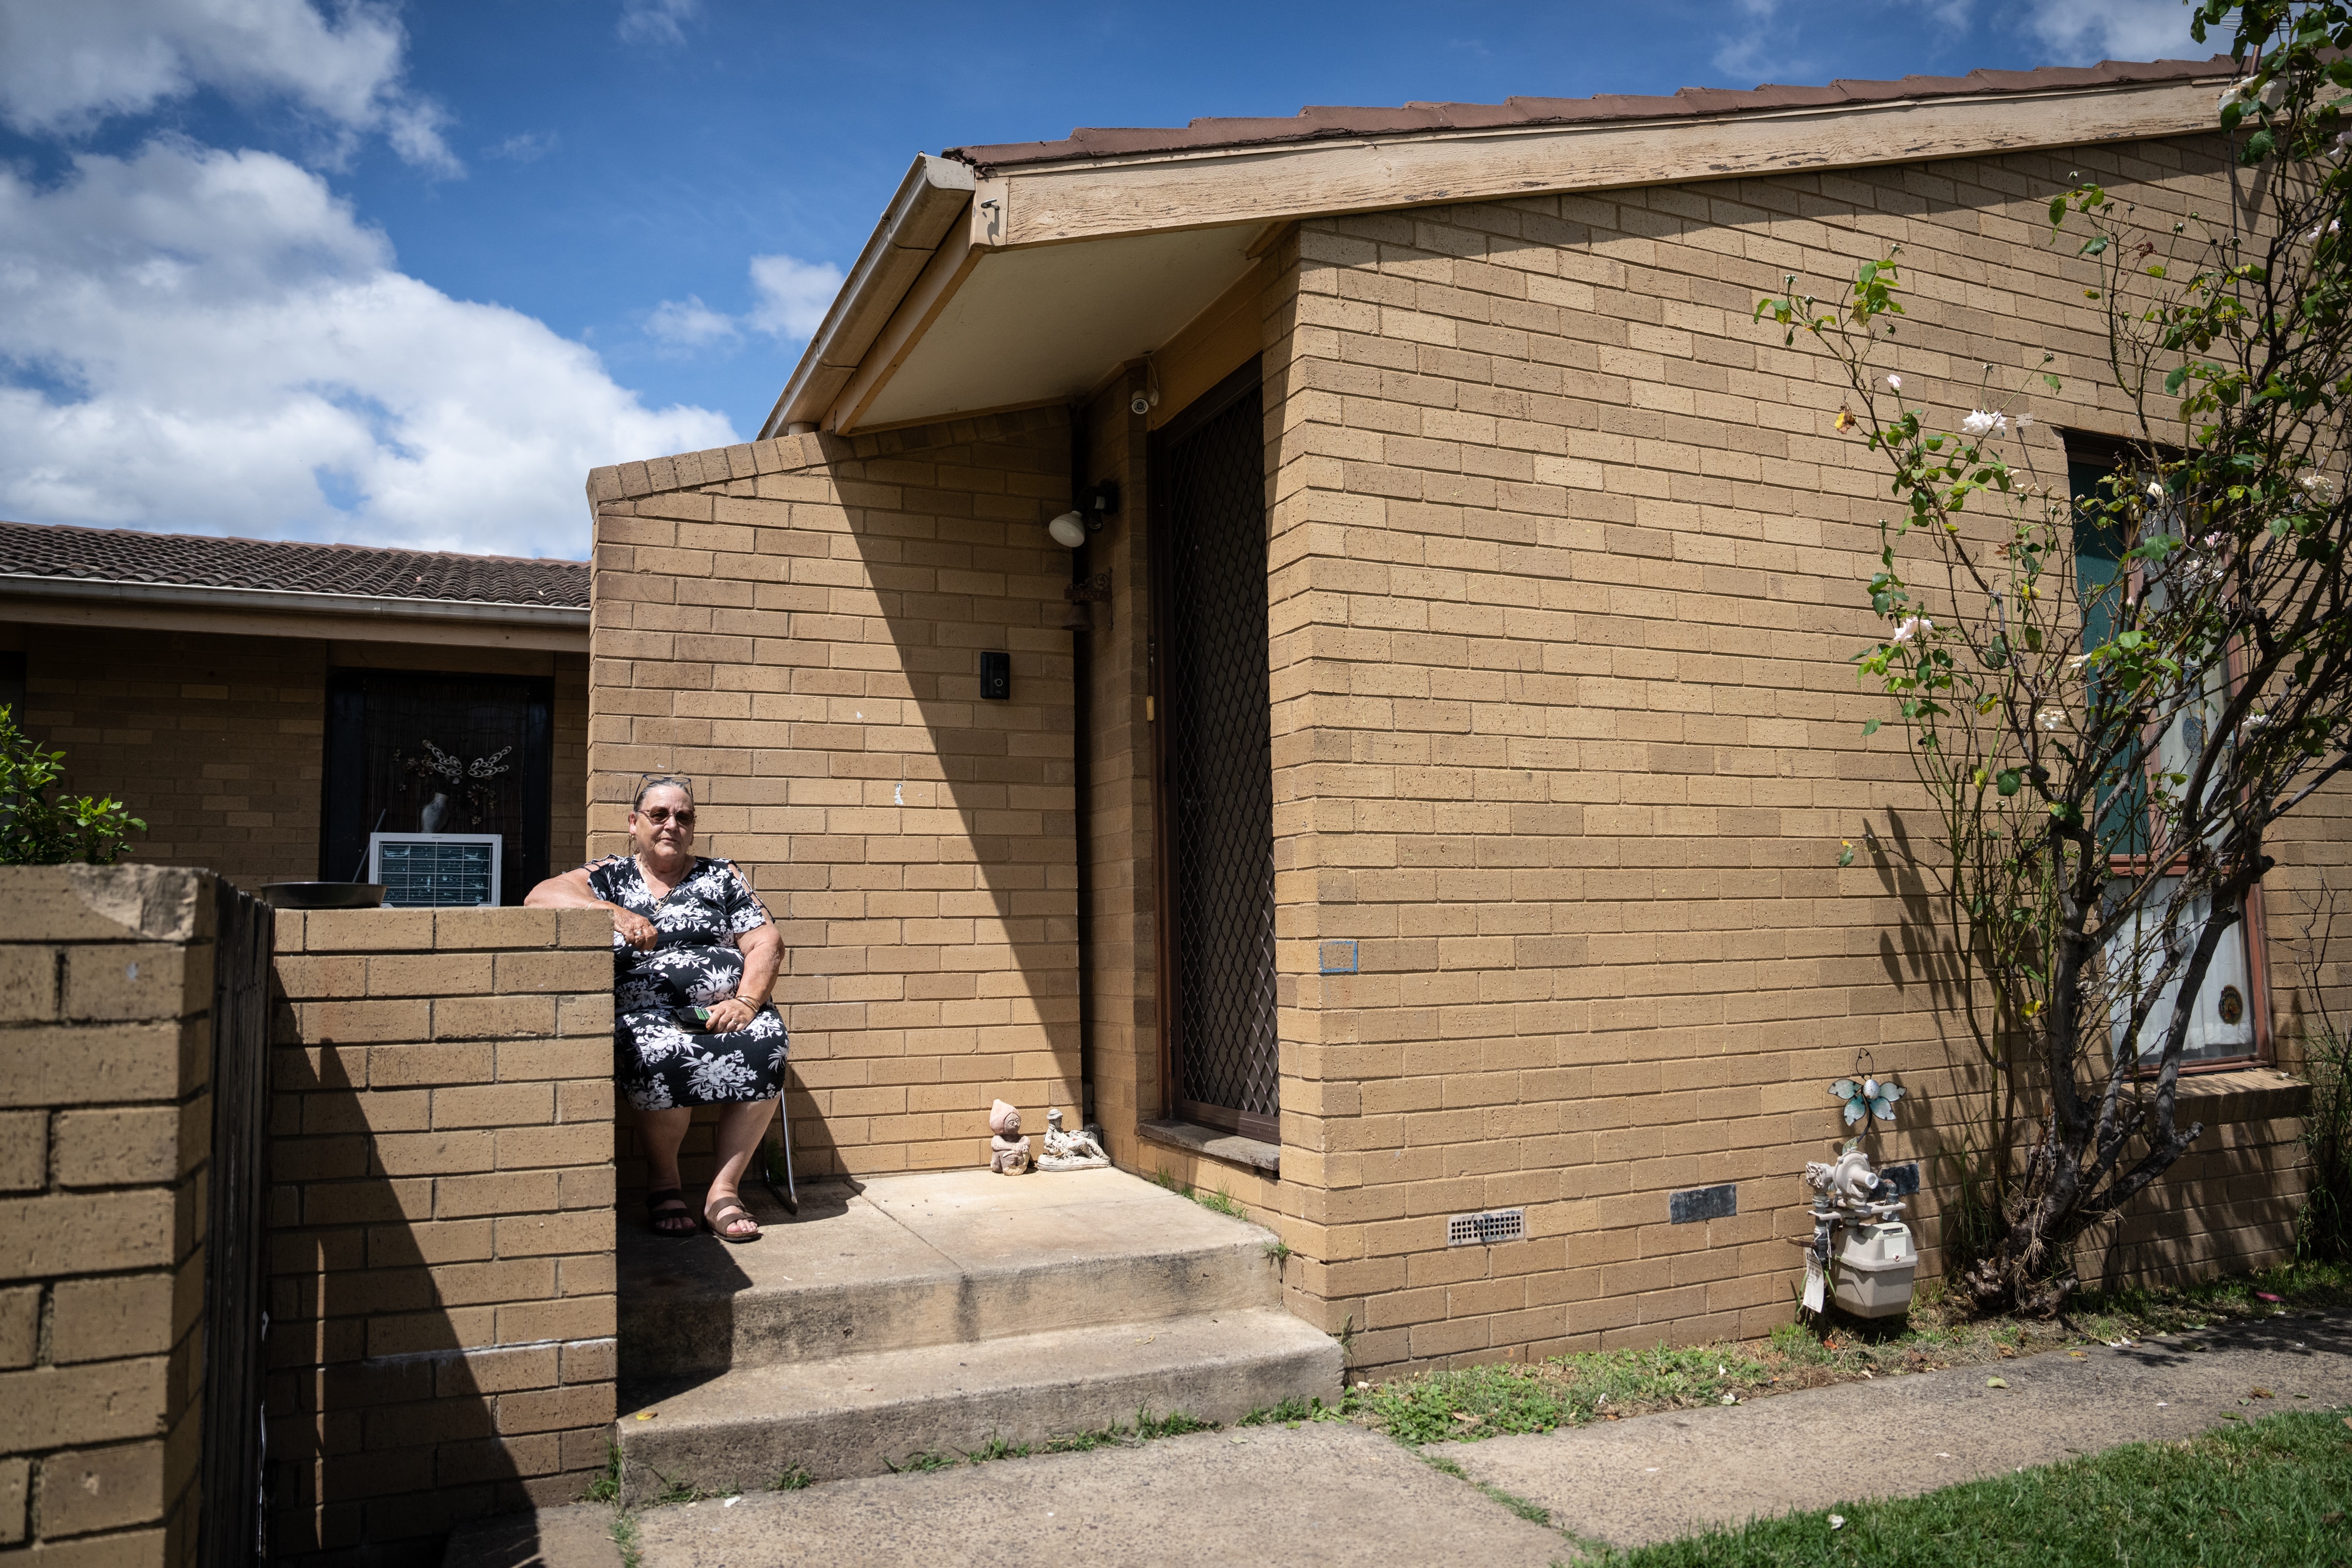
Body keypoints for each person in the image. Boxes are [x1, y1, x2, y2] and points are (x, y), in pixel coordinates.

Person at [526, 775, 783, 1241]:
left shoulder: (720, 875)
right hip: (646, 1012)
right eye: (659, 814)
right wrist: (615, 914)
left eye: (683, 817)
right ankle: (665, 1183)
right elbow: (539, 895)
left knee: (767, 1037)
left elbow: (766, 940)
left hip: (725, 1008)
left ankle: (723, 1191)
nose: (671, 825)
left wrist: (746, 1001)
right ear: (634, 823)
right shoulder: (611, 875)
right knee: (658, 1048)